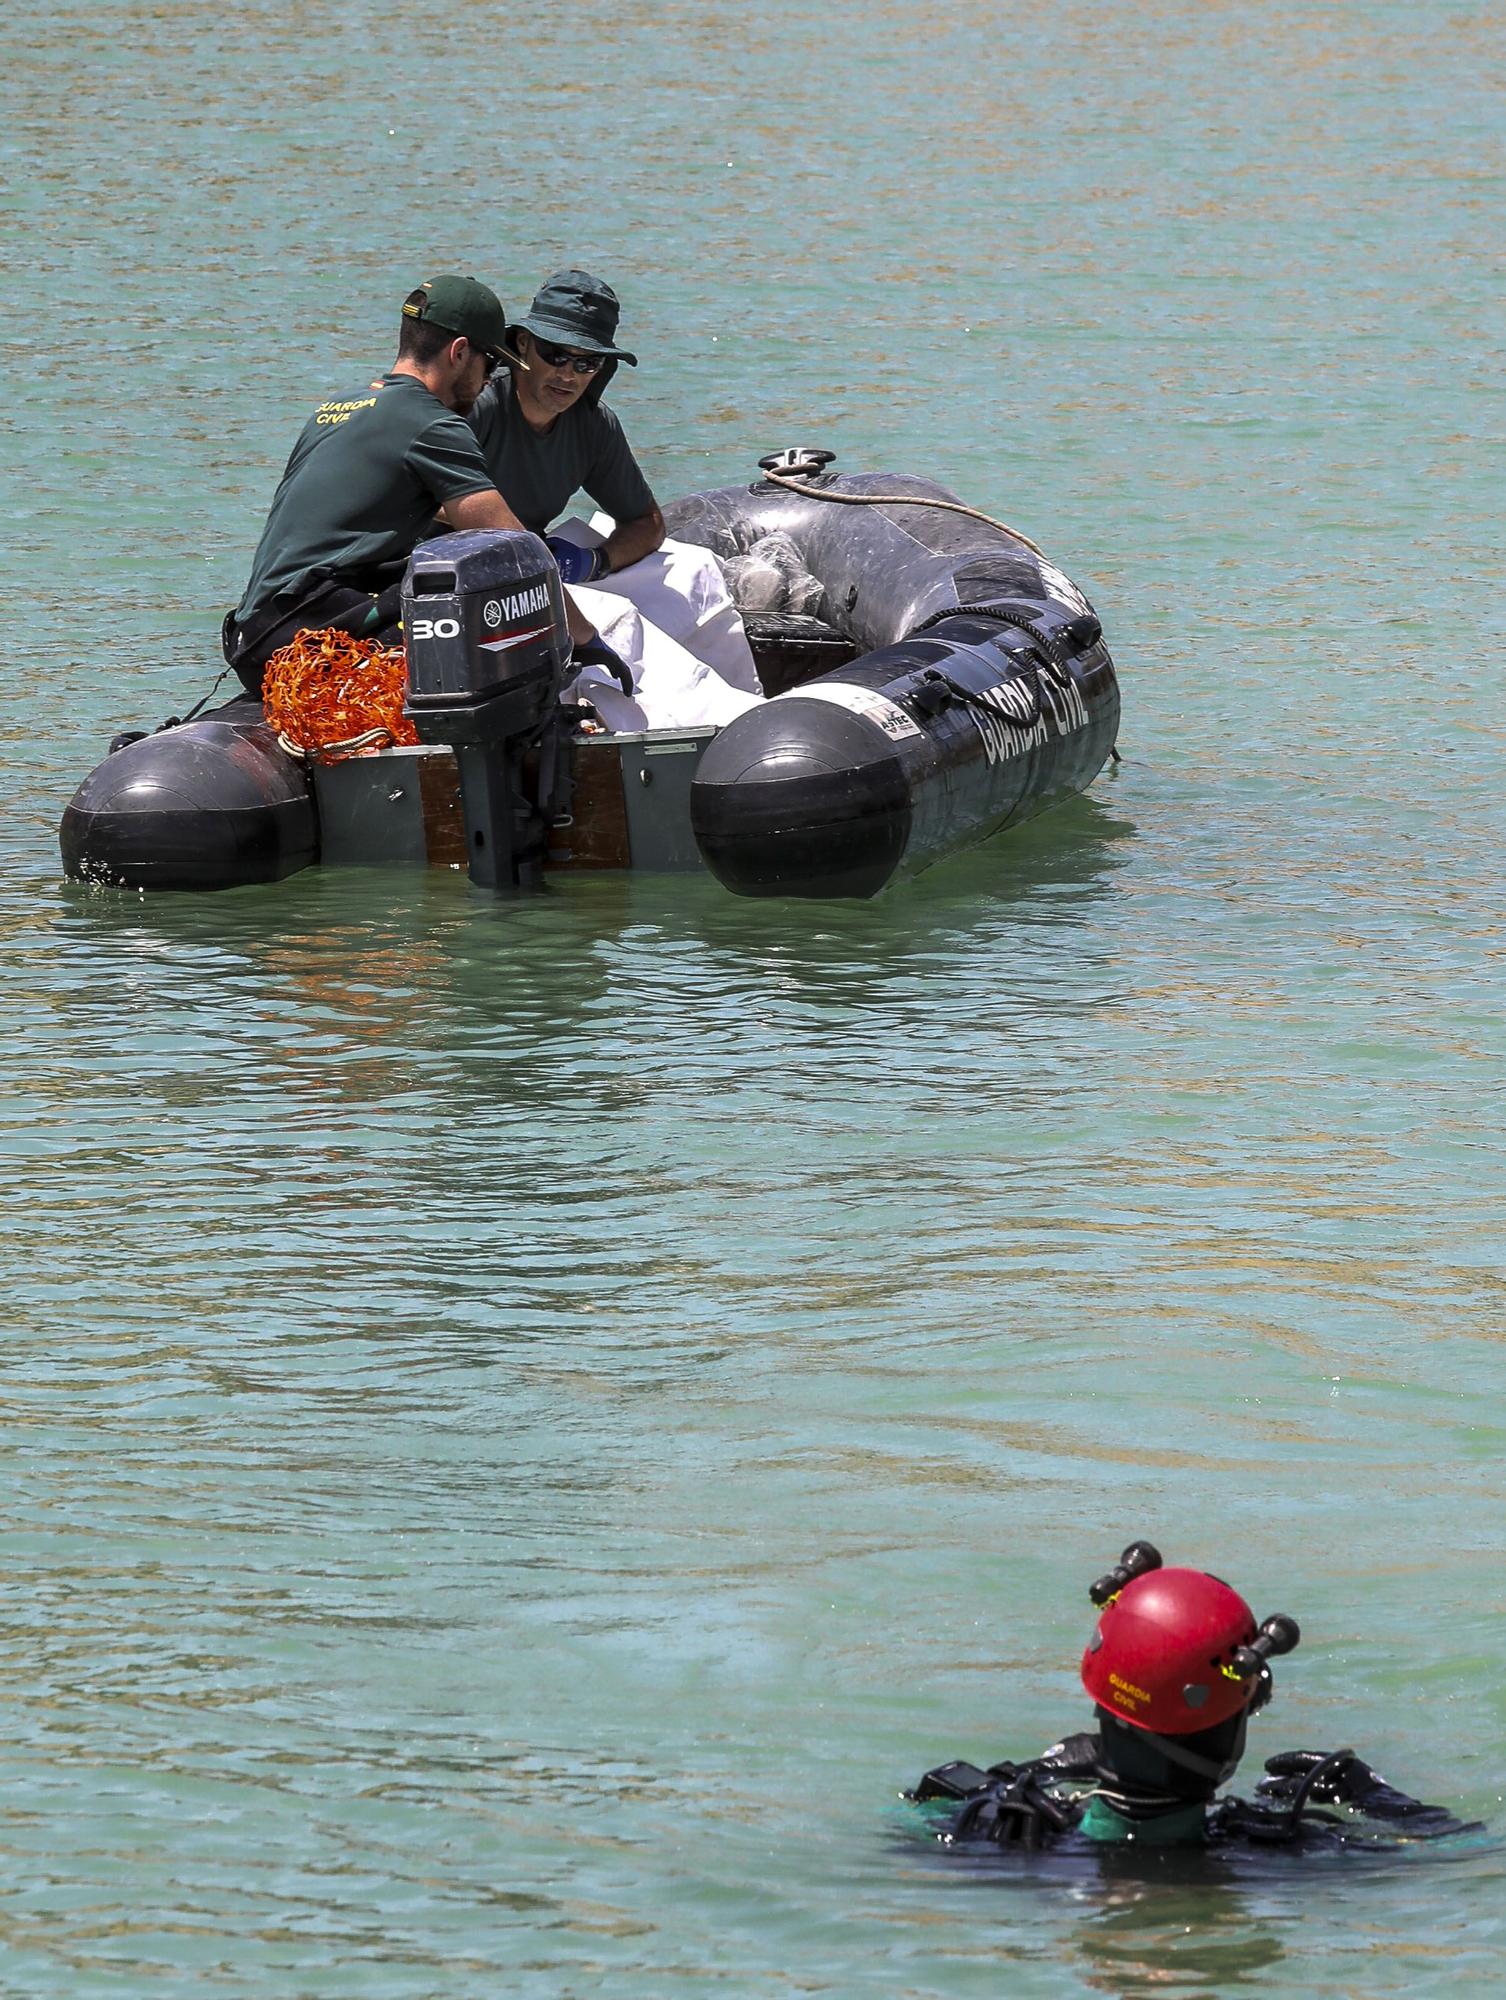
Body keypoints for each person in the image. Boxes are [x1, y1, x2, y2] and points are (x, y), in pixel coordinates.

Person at [909, 1540, 1477, 1854]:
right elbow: (1475, 1856)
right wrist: (1381, 1801)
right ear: (1231, 1732)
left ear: (1101, 1704)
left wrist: (1023, 1776)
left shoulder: (992, 1832)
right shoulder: (1284, 1855)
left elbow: (907, 1815)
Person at [222, 274, 614, 695]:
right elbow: (515, 549)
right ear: (460, 352)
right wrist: (586, 639)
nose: (488, 381)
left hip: (255, 631)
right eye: (491, 364)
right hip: (308, 637)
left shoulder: (336, 408)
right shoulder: (433, 423)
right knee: (492, 589)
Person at [467, 268, 761, 731]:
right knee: (613, 618)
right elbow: (440, 505)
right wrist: (529, 562)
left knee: (696, 569)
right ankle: (695, 732)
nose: (568, 374)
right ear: (522, 345)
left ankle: (755, 711)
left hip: (543, 563)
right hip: (479, 579)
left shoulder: (592, 425)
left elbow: (645, 523)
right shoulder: (479, 407)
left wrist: (593, 562)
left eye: (586, 363)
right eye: (556, 354)